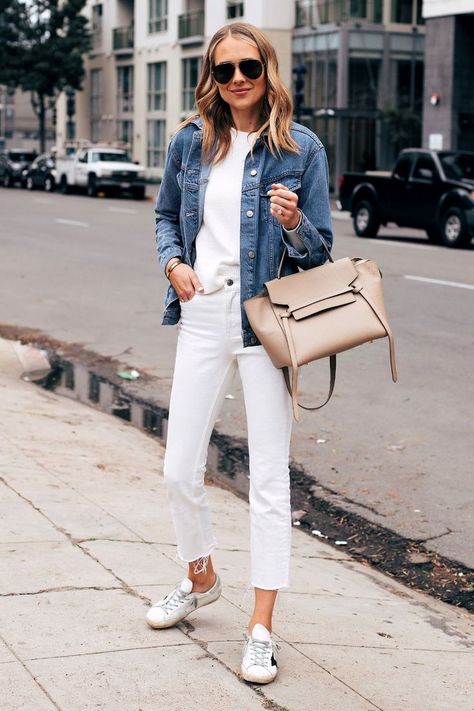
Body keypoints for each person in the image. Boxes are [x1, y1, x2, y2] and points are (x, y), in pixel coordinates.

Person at [148, 22, 333, 684]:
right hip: (202, 313)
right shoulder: (191, 144)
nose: (237, 80)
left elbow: (321, 252)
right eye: (223, 71)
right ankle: (201, 577)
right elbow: (168, 216)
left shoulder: (300, 149)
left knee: (267, 479)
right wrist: (173, 264)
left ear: (267, 67)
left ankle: (261, 626)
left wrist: (293, 223)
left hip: (264, 322)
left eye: (247, 66)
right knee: (177, 468)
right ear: (211, 79)